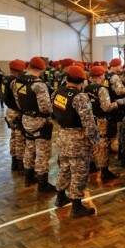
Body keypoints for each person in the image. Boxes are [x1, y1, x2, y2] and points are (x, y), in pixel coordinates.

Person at [53, 66, 99, 217]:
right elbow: (89, 122)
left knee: (64, 167)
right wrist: (95, 141)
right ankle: (77, 207)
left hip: (62, 135)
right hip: (77, 139)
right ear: (82, 81)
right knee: (79, 172)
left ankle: (60, 197)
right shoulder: (80, 97)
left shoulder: (58, 91)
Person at [14, 56, 55, 192]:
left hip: (25, 119)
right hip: (39, 121)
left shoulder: (18, 80)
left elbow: (17, 100)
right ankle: (43, 185)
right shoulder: (39, 84)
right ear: (41, 69)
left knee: (29, 148)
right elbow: (46, 108)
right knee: (42, 152)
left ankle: (28, 177)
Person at [84, 66, 119, 180]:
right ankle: (104, 171)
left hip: (90, 118)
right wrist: (117, 104)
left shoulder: (86, 87)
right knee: (103, 144)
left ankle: (92, 165)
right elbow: (106, 107)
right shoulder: (102, 89)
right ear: (100, 76)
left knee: (92, 142)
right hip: (101, 120)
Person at [3, 60, 27, 171]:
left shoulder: (5, 79)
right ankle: (20, 164)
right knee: (20, 139)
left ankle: (14, 162)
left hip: (9, 111)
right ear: (19, 70)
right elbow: (19, 100)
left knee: (13, 137)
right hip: (16, 112)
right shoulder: (15, 82)